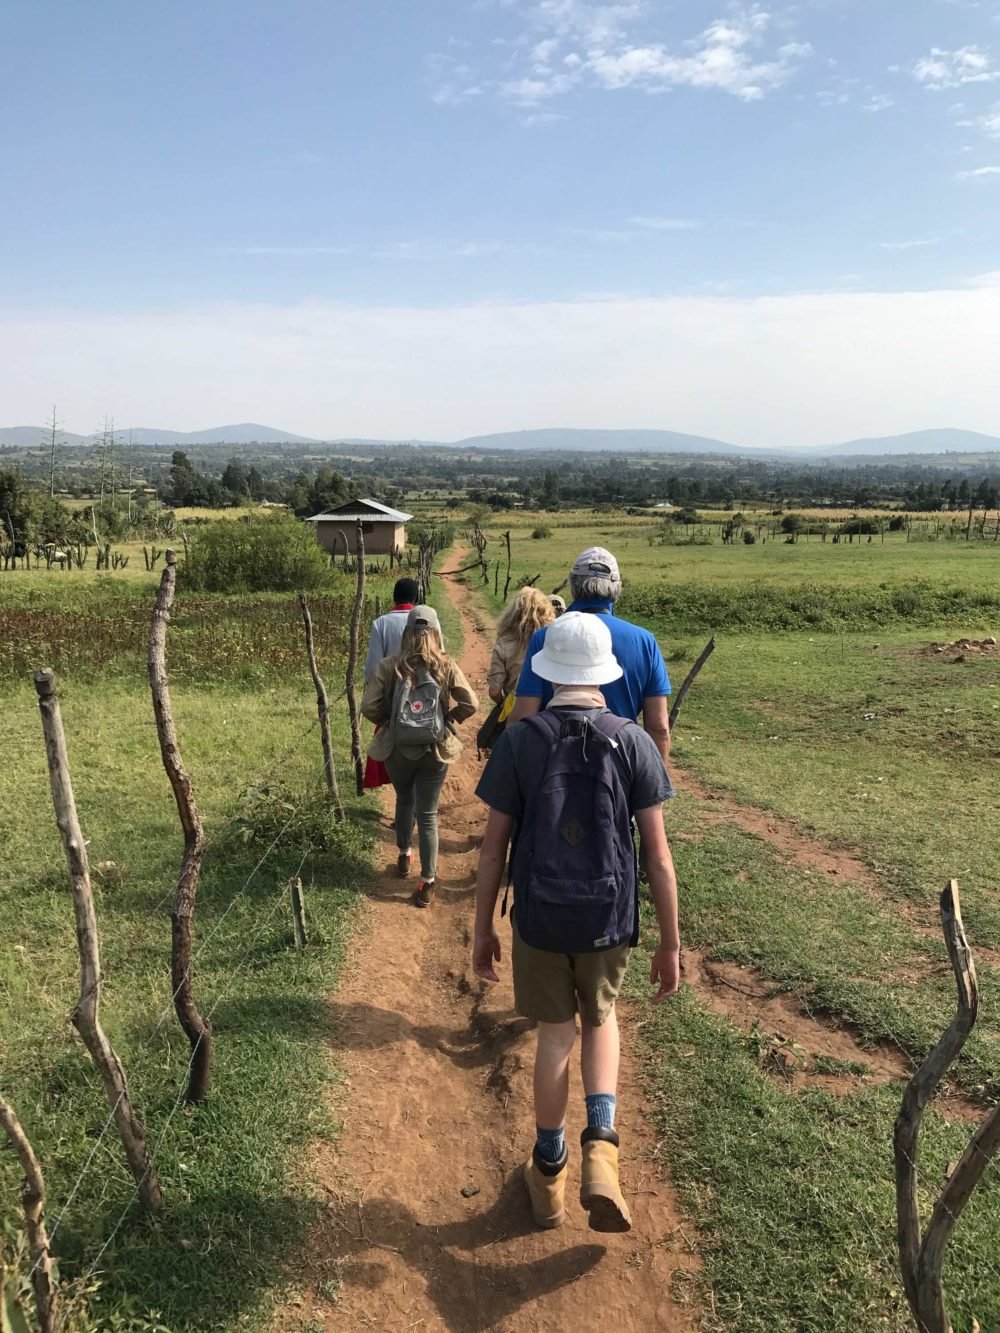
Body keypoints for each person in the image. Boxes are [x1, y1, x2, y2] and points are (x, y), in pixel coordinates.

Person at [472, 612, 680, 1234]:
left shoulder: (520, 739)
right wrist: (670, 943)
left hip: (539, 916)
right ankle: (602, 1148)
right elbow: (659, 856)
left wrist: (483, 928)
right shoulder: (634, 741)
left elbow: (491, 849)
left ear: (547, 669)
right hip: (608, 917)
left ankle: (549, 1167)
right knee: (602, 1019)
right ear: (606, 673)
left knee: (555, 1037)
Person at [362, 606, 478, 908]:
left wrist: (390, 721)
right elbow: (472, 703)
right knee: (427, 816)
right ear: (437, 631)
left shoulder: (390, 666)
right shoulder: (445, 664)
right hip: (434, 748)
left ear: (407, 632)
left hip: (398, 748)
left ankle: (403, 856)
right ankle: (427, 882)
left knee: (404, 800)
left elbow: (368, 706)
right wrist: (449, 717)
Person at [509, 547, 672, 761]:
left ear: (574, 585)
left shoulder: (545, 637)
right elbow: (658, 727)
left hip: (553, 767)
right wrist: (652, 785)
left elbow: (523, 716)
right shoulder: (644, 641)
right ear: (616, 589)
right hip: (619, 769)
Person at [487, 586, 555, 705]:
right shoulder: (554, 639)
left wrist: (504, 704)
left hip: (517, 707)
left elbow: (494, 691)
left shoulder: (503, 643)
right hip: (549, 708)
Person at [364, 577, 420, 682]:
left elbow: (373, 668)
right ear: (416, 598)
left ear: (394, 597)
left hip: (390, 689)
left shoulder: (380, 624)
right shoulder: (427, 621)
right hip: (422, 689)